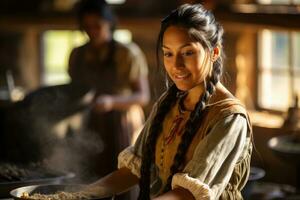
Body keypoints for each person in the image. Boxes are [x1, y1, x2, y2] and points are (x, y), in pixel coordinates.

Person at [40, 3, 252, 200]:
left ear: (214, 52)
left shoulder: (228, 117)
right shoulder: (168, 104)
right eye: (168, 54)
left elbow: (187, 194)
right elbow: (133, 170)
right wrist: (79, 195)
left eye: (188, 53)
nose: (176, 65)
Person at [66, 0, 150, 182]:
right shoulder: (78, 55)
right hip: (90, 122)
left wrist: (112, 102)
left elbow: (143, 96)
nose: (92, 31)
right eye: (87, 26)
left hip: (123, 123)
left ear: (109, 23)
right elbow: (73, 91)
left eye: (97, 25)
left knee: (123, 177)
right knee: (91, 178)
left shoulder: (127, 53)